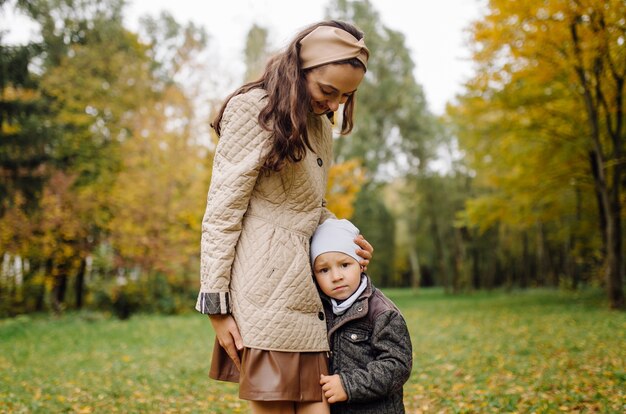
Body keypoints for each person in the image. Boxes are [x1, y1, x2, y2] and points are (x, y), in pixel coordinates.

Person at [195, 20, 373, 414]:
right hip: (263, 291)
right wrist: (216, 306)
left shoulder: (319, 125)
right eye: (328, 91)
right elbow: (223, 210)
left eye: (346, 96)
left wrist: (346, 240)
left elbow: (310, 206)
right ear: (300, 67)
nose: (335, 105)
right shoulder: (252, 109)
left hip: (306, 296)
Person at [310, 219, 413, 413]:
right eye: (324, 270)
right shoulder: (319, 310)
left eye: (345, 264)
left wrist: (348, 385)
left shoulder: (382, 312)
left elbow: (397, 366)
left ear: (361, 264)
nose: (336, 276)